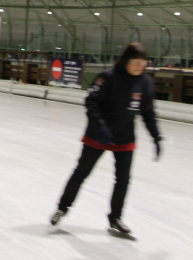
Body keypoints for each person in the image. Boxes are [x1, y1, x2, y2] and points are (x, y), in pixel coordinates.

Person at [50, 42, 162, 236]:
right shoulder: (108, 77)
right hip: (98, 135)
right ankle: (62, 207)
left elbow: (148, 112)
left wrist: (156, 137)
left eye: (143, 63)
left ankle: (116, 218)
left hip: (124, 136)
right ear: (126, 60)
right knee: (81, 172)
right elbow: (91, 102)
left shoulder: (145, 82)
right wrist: (100, 126)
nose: (139, 67)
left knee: (123, 180)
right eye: (136, 62)